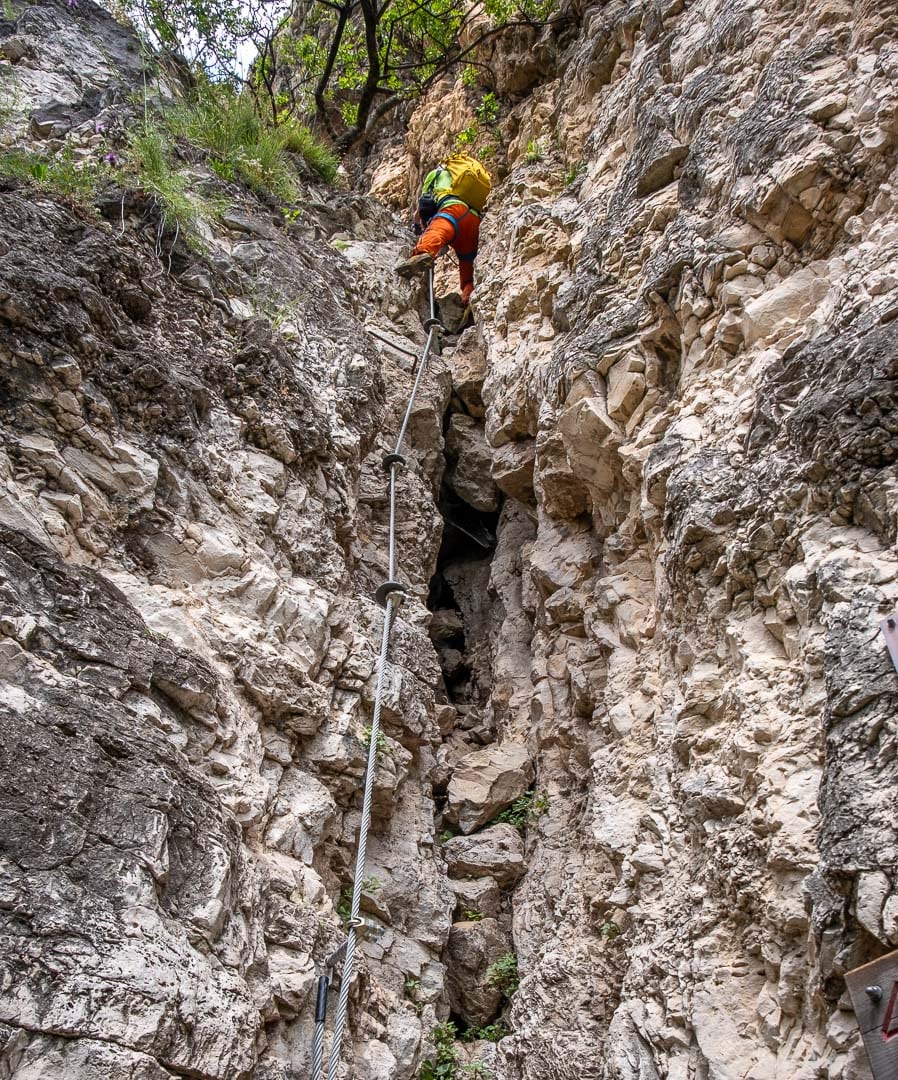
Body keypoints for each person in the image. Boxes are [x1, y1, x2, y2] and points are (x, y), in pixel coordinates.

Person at [394, 163, 481, 306]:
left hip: (452, 210)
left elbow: (423, 206)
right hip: (473, 219)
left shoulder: (435, 175)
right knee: (467, 265)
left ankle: (422, 253)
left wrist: (418, 227)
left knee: (436, 231)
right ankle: (468, 297)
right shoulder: (462, 180)